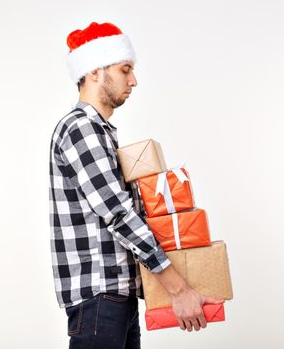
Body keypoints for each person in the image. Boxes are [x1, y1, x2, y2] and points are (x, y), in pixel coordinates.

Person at [49, 22, 222, 349]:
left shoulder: (101, 132)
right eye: (125, 69)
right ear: (96, 71)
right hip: (100, 296)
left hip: (117, 295)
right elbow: (119, 215)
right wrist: (178, 288)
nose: (134, 80)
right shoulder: (81, 128)